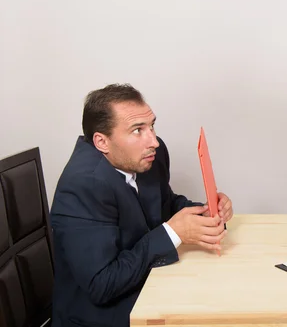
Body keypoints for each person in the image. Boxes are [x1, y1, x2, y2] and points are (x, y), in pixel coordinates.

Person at [50, 84, 233, 327]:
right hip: (100, 315)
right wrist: (174, 232)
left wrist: (205, 212)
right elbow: (102, 285)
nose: (154, 141)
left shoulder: (146, 158)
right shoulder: (84, 185)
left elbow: (165, 203)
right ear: (102, 141)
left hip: (146, 288)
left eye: (151, 126)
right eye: (137, 130)